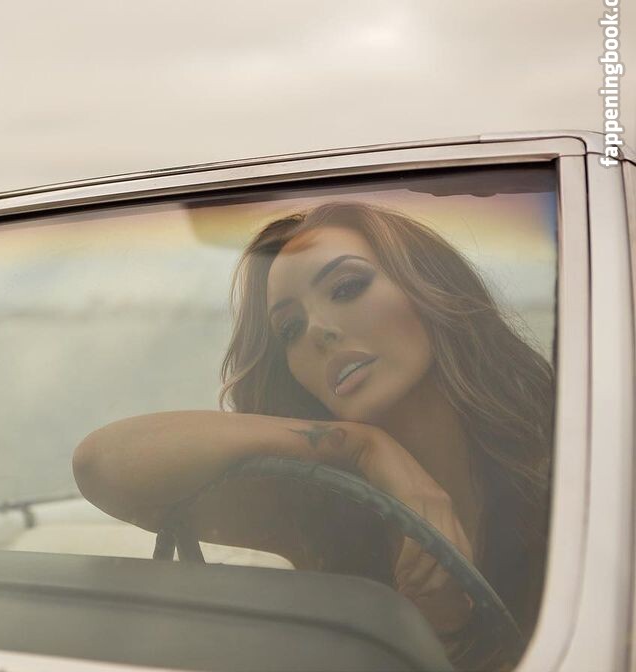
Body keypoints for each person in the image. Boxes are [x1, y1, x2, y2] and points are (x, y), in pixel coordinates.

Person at [72, 201, 553, 669]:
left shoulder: (567, 472)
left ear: (428, 286)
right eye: (290, 329)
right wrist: (363, 447)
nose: (318, 331)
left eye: (347, 288)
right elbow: (100, 463)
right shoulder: (321, 509)